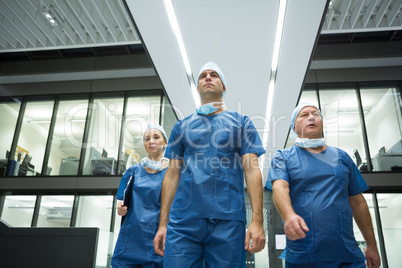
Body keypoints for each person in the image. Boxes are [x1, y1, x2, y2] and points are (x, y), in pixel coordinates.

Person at [153, 61, 266, 267]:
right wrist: (163, 224)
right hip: (183, 221)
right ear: (197, 88)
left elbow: (252, 170)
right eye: (203, 75)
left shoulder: (241, 123)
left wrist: (257, 221)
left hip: (228, 220)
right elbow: (171, 175)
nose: (207, 77)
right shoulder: (182, 126)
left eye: (214, 75)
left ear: (224, 87)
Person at [265, 102, 381, 268]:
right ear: (294, 127)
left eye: (315, 114)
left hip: (347, 255)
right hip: (303, 256)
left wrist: (372, 245)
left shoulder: (342, 157)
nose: (311, 117)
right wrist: (288, 215)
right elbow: (280, 188)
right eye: (304, 115)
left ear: (321, 122)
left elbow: (358, 202)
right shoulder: (283, 157)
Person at [111, 123, 169, 268]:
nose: (151, 141)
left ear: (165, 142)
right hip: (132, 238)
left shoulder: (173, 173)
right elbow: (122, 201)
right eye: (147, 138)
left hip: (160, 236)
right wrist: (121, 208)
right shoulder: (133, 172)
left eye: (156, 137)